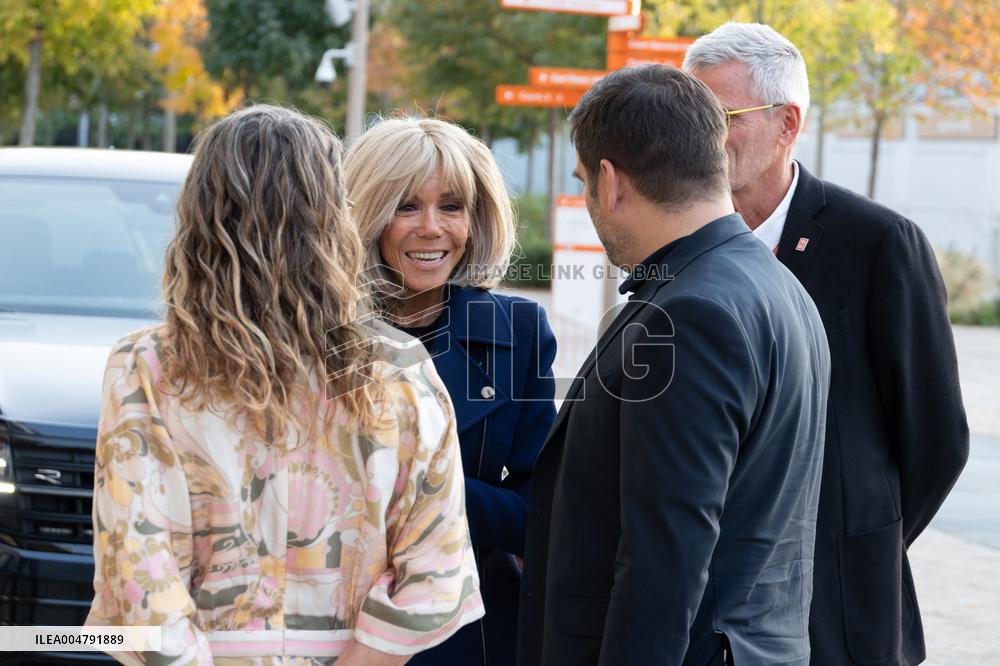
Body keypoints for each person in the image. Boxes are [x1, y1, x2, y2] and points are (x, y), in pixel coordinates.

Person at [84, 105, 484, 665]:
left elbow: (139, 585)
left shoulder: (146, 369)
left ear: (199, 217)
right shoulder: (400, 366)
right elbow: (433, 575)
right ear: (334, 220)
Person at [516, 65, 831, 666]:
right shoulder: (782, 288)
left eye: (583, 180)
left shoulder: (687, 315)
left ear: (609, 182)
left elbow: (663, 562)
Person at [684, 23, 969, 666]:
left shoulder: (878, 244)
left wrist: (854, 539)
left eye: (723, 115)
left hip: (841, 612)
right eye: (693, 114)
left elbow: (936, 439)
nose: (702, 136)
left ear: (788, 124)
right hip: (707, 614)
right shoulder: (677, 247)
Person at [344, 117, 557, 666]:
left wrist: (422, 485)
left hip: (468, 638)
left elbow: (542, 518)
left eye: (453, 206)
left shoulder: (520, 331)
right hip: (333, 630)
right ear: (365, 215)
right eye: (406, 206)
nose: (432, 228)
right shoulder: (312, 333)